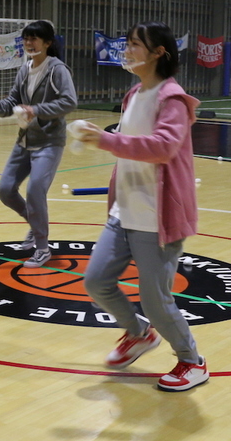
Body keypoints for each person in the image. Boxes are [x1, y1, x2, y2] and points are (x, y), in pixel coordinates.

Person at [78, 21, 206, 392]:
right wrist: (105, 137)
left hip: (157, 216)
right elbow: (130, 141)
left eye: (135, 44)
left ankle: (192, 361)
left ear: (157, 53)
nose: (127, 49)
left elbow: (162, 147)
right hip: (125, 211)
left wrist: (106, 140)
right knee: (97, 281)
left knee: (155, 299)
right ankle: (139, 334)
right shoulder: (134, 94)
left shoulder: (173, 100)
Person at [0, 20, 76, 268]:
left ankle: (43, 248)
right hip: (25, 140)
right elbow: (14, 101)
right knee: (5, 190)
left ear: (48, 43)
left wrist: (36, 109)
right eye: (26, 38)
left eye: (34, 38)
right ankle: (35, 225)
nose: (29, 42)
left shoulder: (57, 70)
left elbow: (69, 102)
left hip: (49, 142)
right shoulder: (24, 69)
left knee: (35, 190)